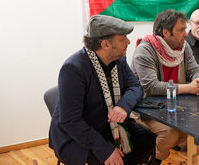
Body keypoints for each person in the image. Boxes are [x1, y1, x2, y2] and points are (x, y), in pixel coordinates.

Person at [49, 15, 155, 165]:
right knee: (108, 159)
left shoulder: (119, 60)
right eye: (123, 38)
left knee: (146, 139)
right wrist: (105, 150)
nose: (128, 42)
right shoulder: (73, 68)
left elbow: (135, 86)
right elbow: (71, 121)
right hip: (76, 136)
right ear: (105, 44)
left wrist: (123, 106)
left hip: (106, 125)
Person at [131, 9, 199, 164]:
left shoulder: (183, 47)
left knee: (197, 126)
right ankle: (151, 160)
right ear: (166, 32)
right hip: (147, 108)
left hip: (173, 105)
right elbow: (151, 87)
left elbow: (195, 69)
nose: (186, 34)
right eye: (181, 30)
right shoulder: (145, 50)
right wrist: (188, 88)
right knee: (170, 134)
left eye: (185, 29)